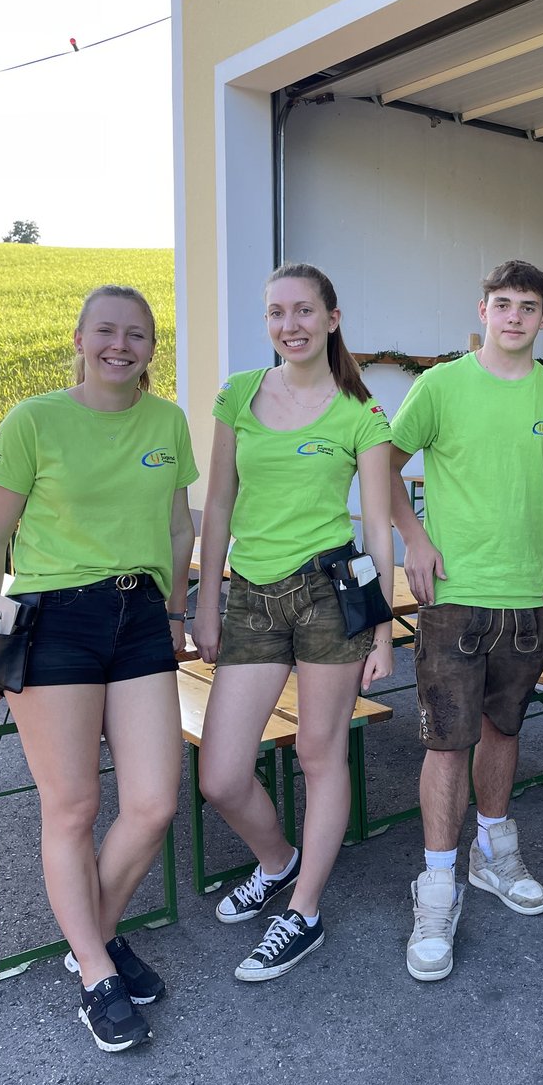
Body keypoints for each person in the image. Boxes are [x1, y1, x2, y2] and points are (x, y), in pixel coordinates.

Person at [0, 285, 196, 1052]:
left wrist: (176, 611)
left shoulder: (167, 421)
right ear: (79, 338)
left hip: (141, 618)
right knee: (71, 808)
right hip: (54, 620)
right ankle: (98, 971)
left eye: (137, 334)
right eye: (106, 330)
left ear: (151, 349)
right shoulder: (34, 419)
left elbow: (178, 525)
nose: (120, 345)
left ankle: (89, 937)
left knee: (153, 803)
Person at [193, 263, 394, 981]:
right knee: (220, 776)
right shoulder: (239, 394)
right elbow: (219, 504)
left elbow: (377, 529)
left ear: (332, 319)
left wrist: (382, 633)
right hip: (250, 594)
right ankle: (278, 861)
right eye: (277, 312)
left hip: (326, 595)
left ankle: (303, 911)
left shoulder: (362, 414)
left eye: (304, 311)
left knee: (318, 752)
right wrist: (207, 602)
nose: (290, 325)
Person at [389, 260, 543, 982]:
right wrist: (414, 540)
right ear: (482, 310)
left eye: (527, 307)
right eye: (502, 304)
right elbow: (381, 465)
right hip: (455, 595)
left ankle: (493, 853)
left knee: (504, 729)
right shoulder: (440, 386)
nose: (513, 317)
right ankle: (438, 882)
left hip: (532, 595)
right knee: (447, 743)